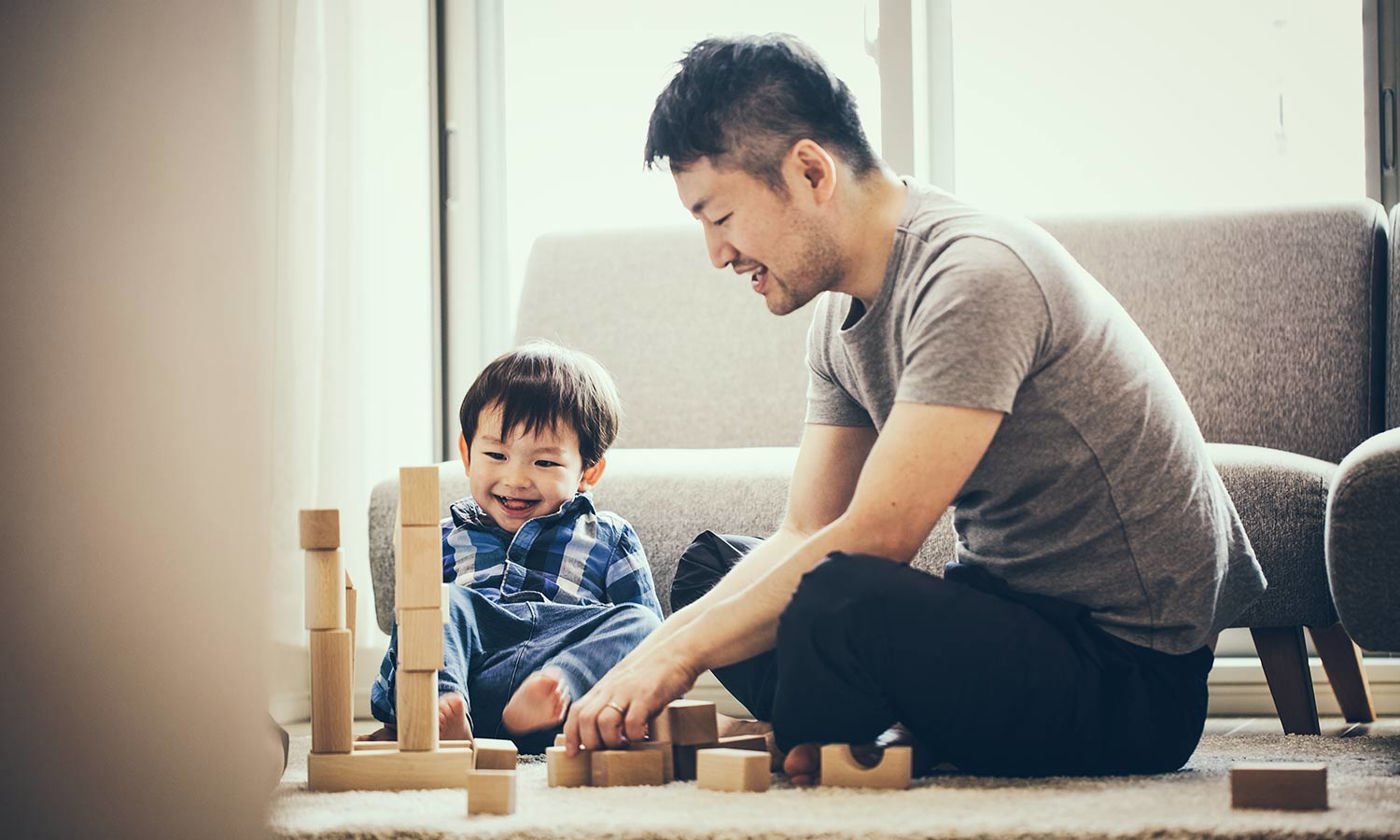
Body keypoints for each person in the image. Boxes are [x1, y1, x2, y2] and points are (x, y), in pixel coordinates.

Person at [562, 33, 1265, 780]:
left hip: (1126, 677)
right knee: (711, 571)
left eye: (720, 216)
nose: (716, 253)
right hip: (1010, 622)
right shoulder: (836, 322)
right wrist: (652, 654)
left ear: (809, 171)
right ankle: (874, 726)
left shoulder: (973, 276)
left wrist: (677, 656)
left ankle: (842, 732)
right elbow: (806, 526)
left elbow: (878, 536)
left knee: (838, 597)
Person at [366, 341, 663, 754]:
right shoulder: (442, 536)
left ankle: (557, 685)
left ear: (588, 472)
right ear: (467, 455)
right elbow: (411, 631)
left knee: (644, 624)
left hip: (555, 693)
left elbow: (648, 647)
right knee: (435, 602)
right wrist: (403, 699)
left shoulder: (609, 536)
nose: (517, 478)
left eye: (544, 463)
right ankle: (438, 709)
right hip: (473, 679)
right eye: (496, 454)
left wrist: (572, 680)